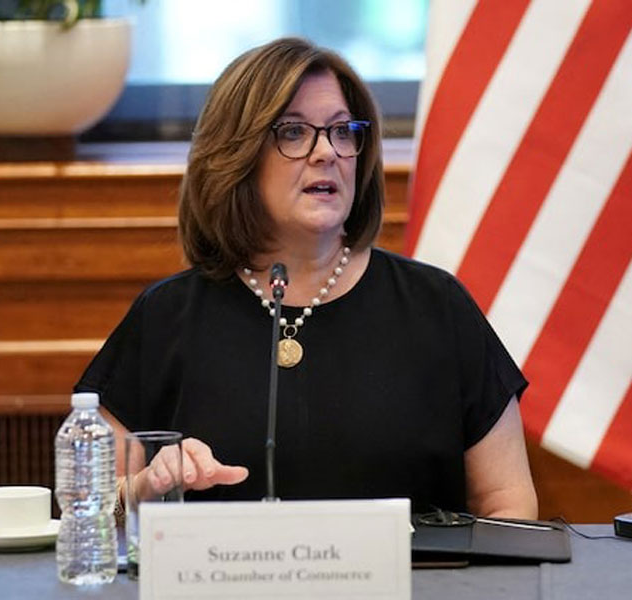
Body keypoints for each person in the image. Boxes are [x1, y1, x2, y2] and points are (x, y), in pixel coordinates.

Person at [76, 37, 538, 519]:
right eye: (294, 132)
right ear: (238, 155)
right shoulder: (167, 316)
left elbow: (506, 503)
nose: (327, 153)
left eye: (343, 132)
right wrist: (147, 487)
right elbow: (86, 507)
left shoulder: (437, 306)